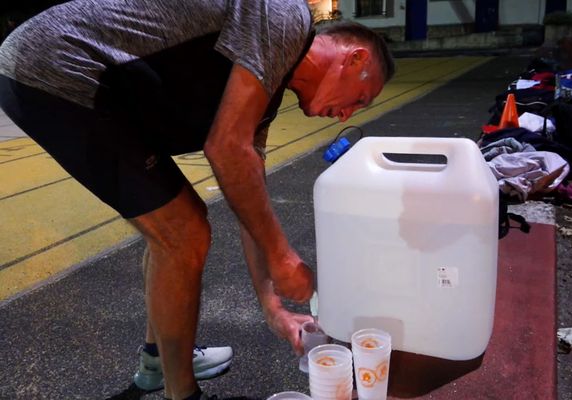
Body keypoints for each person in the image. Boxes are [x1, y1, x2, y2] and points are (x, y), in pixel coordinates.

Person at [0, 1, 395, 399]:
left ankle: (159, 360)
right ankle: (183, 394)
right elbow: (225, 147)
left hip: (95, 83)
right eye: (360, 98)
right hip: (59, 62)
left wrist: (273, 308)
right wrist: (283, 258)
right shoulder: (286, 16)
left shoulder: (265, 93)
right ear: (354, 57)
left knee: (177, 228)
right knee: (184, 233)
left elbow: (248, 198)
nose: (347, 116)